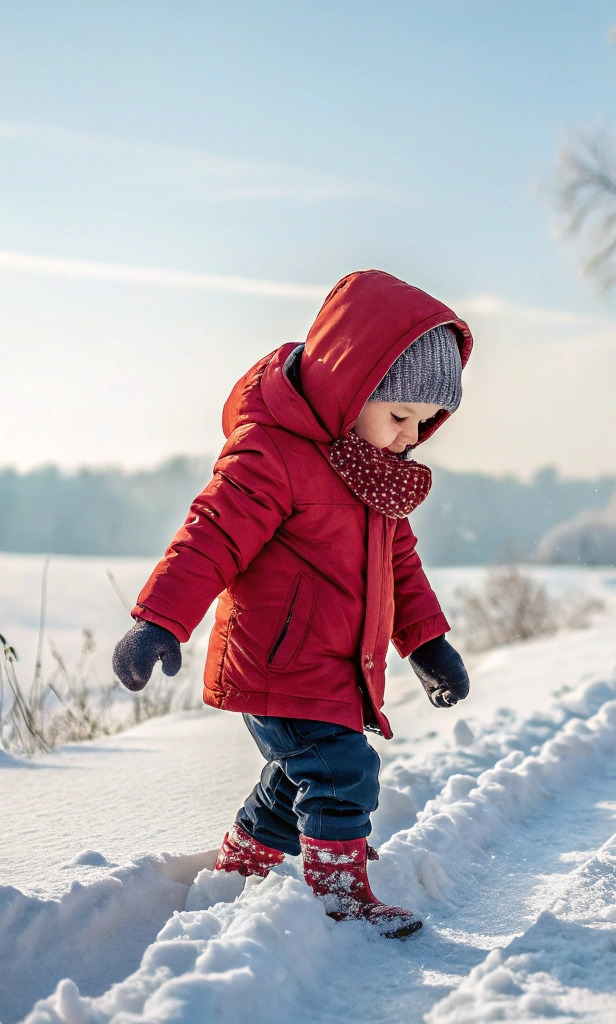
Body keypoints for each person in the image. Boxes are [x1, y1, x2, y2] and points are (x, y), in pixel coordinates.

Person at [111, 269, 473, 939]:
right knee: (341, 771)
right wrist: (158, 620)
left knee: (297, 774)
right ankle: (339, 895)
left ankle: (241, 864)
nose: (405, 437)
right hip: (276, 665)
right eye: (398, 416)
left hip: (334, 670)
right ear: (351, 384)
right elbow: (209, 536)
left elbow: (401, 567)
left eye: (422, 426)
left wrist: (427, 644)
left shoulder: (373, 473)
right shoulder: (270, 452)